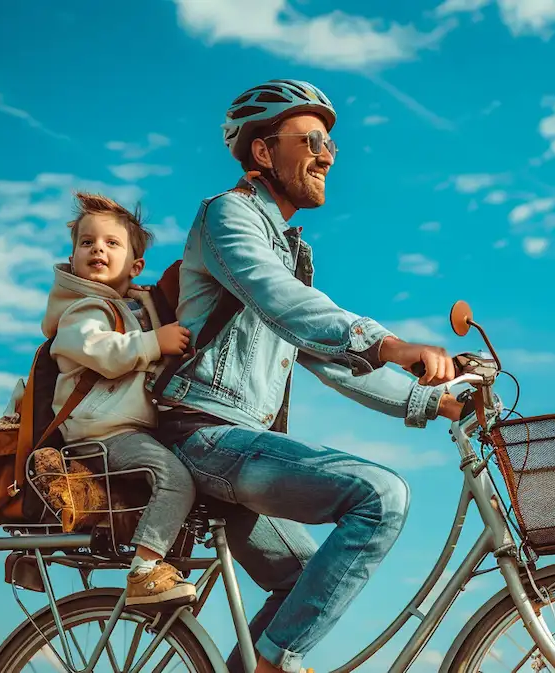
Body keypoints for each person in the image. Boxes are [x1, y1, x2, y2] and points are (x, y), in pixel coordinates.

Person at [152, 79, 466, 673]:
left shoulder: (287, 249)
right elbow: (284, 302)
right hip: (205, 433)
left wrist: (430, 401)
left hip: (238, 445)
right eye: (313, 139)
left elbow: (326, 359)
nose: (327, 155)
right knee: (380, 495)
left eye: (331, 145)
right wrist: (391, 344)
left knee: (303, 585)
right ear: (264, 152)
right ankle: (275, 664)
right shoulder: (228, 218)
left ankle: (264, 661)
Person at [41, 192, 200, 607]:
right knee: (174, 478)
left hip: (123, 428)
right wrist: (154, 342)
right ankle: (144, 572)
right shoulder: (82, 310)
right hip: (102, 431)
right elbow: (103, 353)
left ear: (135, 265)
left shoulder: (131, 304)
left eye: (112, 243)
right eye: (87, 242)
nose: (98, 249)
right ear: (73, 258)